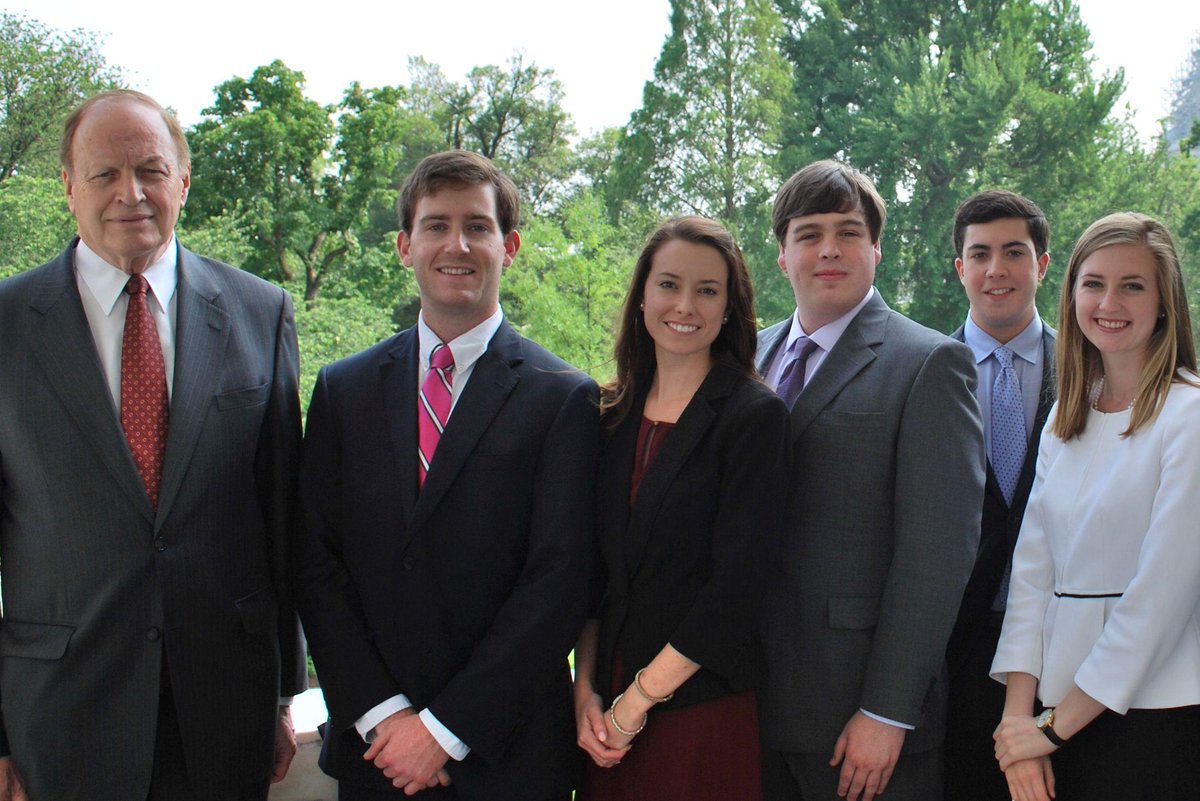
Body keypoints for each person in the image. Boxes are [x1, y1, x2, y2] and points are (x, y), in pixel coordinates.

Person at [0, 89, 305, 801]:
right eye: (104, 174)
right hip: (61, 717)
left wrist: (283, 692)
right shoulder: (7, 326)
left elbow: (282, 519)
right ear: (68, 187)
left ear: (184, 181)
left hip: (225, 714)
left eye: (151, 170)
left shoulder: (260, 312)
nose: (130, 193)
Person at [293, 150, 599, 801]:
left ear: (509, 247)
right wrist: (386, 716)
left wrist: (444, 729)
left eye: (477, 226)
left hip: (506, 757)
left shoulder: (563, 397)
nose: (456, 244)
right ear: (405, 245)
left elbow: (561, 580)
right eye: (436, 225)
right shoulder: (343, 389)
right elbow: (315, 564)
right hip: (376, 755)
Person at [757, 160, 984, 801]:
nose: (829, 248)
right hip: (746, 702)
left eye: (848, 232)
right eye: (808, 233)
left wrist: (888, 711)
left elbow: (937, 556)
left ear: (877, 249)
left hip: (859, 719)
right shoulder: (745, 355)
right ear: (782, 254)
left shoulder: (930, 363)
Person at [573, 216, 788, 800]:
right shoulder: (610, 414)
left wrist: (636, 704)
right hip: (604, 710)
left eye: (707, 290)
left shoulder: (754, 417)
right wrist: (585, 692)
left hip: (697, 710)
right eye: (668, 284)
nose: (685, 305)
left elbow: (736, 589)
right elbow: (594, 577)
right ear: (642, 294)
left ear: (729, 309)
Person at [991, 212, 1200, 801]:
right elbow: (1031, 579)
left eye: (1132, 285)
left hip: (1153, 717)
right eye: (1093, 284)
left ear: (1164, 302)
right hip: (1051, 716)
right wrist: (1016, 724)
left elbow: (1159, 601)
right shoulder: (1065, 416)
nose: (1109, 303)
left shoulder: (1189, 415)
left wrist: (1050, 731)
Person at [943, 190, 1056, 801]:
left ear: (1042, 264)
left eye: (1014, 252)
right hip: (951, 650)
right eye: (980, 254)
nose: (996, 269)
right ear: (961, 268)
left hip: (1066, 646)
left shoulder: (1094, 369)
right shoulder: (922, 372)